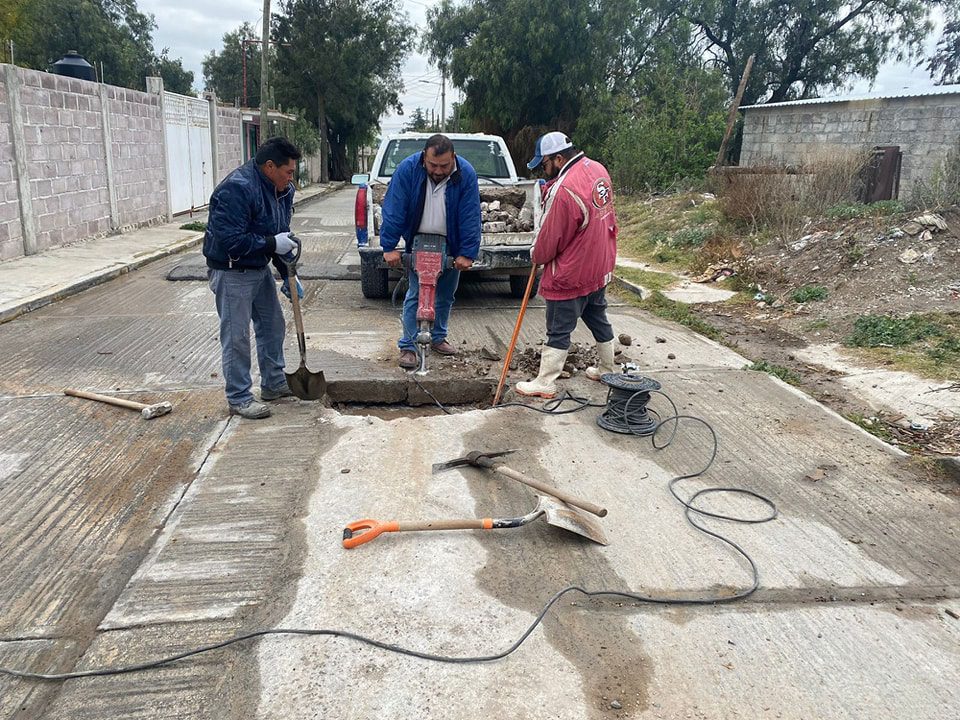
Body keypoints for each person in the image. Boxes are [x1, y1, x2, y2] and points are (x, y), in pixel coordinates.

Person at [203, 136, 304, 419]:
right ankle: (239, 397)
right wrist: (273, 244)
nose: (291, 177)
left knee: (273, 325)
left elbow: (281, 232)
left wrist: (288, 275)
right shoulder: (236, 189)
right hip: (231, 270)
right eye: (289, 172)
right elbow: (232, 241)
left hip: (258, 268)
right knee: (236, 337)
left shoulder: (282, 190)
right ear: (270, 166)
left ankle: (273, 383)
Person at [516, 131, 618, 398]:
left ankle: (545, 382)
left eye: (544, 164)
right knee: (598, 317)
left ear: (558, 159)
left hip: (572, 271)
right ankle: (608, 369)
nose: (543, 169)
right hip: (598, 264)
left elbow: (550, 240)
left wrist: (536, 255)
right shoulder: (596, 168)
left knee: (559, 326)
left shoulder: (564, 190)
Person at [379, 134, 482, 368]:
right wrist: (389, 246)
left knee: (445, 294)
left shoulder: (465, 173)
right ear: (424, 157)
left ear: (453, 158)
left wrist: (467, 252)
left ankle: (437, 337)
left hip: (450, 243)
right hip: (417, 240)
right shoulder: (408, 169)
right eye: (432, 165)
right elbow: (395, 207)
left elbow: (470, 214)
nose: (437, 170)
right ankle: (408, 345)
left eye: (444, 165)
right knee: (417, 294)